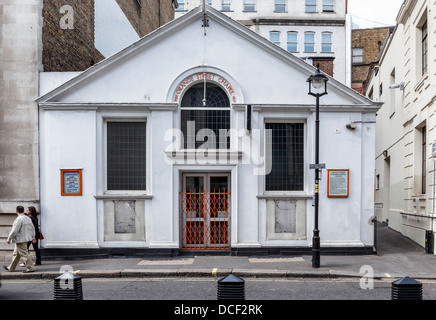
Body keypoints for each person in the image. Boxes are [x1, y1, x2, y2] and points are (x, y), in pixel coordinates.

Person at [3, 206, 36, 273]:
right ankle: (11, 268)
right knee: (16, 254)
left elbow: (14, 230)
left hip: (20, 240)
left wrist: (9, 238)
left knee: (24, 254)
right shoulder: (28, 218)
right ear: (23, 211)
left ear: (16, 211)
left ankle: (31, 268)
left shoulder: (19, 219)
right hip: (25, 239)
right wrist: (33, 237)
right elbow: (32, 228)